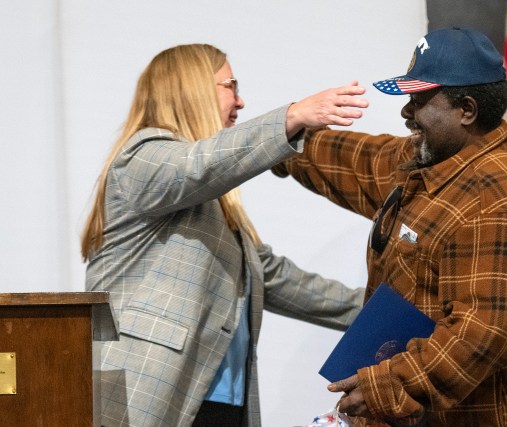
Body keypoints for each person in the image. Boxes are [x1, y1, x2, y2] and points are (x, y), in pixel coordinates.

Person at [272, 28, 507, 426]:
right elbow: (357, 162)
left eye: (418, 98)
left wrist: (384, 386)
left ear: (466, 110)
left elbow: (477, 338)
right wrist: (276, 138)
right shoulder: (431, 161)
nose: (406, 111)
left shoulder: (496, 205)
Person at [80, 43, 369, 427]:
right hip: (148, 391)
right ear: (191, 89)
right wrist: (293, 116)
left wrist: (388, 314)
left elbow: (281, 280)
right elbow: (199, 166)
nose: (241, 100)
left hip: (218, 402)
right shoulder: (142, 158)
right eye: (231, 85)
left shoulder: (213, 207)